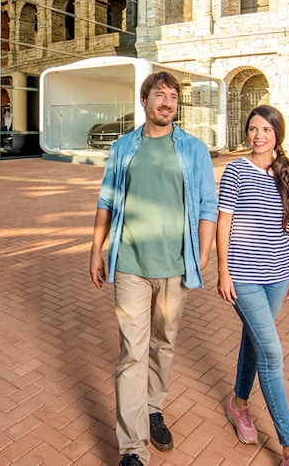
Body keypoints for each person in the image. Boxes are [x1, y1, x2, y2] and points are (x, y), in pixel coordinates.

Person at [89, 71, 218, 466]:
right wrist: (96, 250)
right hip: (130, 263)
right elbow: (107, 199)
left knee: (163, 344)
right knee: (132, 352)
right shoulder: (123, 147)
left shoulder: (194, 150)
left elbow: (208, 205)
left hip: (175, 265)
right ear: (144, 101)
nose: (167, 102)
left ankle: (152, 409)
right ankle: (133, 448)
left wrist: (203, 254)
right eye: (159, 95)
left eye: (173, 97)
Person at [216, 105, 289, 466]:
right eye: (253, 129)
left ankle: (239, 403)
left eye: (266, 130)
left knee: (255, 339)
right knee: (271, 354)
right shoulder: (236, 170)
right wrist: (223, 272)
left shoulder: (288, 172)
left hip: (278, 275)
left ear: (277, 134)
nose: (258, 136)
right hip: (244, 275)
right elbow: (225, 222)